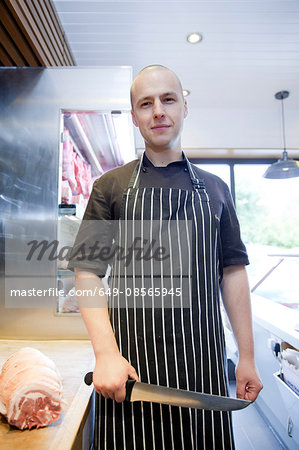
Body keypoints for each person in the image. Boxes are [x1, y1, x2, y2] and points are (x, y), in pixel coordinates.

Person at [70, 65, 263, 449]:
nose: (158, 111)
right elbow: (87, 273)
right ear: (135, 117)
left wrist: (247, 355)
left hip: (202, 373)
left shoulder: (217, 190)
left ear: (184, 108)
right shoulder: (109, 188)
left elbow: (233, 273)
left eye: (168, 99)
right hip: (130, 374)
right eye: (146, 103)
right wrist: (105, 353)